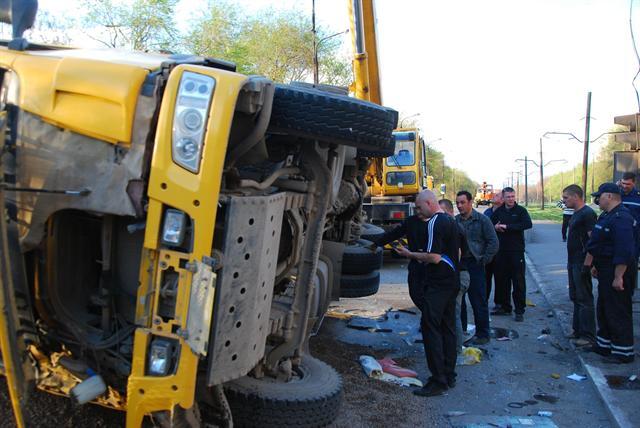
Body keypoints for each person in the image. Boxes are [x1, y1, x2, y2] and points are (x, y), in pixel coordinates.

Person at [395, 190, 459, 396]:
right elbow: (459, 252)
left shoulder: (434, 223)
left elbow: (433, 257)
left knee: (431, 328)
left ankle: (437, 380)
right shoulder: (452, 222)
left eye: (420, 207)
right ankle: (449, 374)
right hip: (452, 281)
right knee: (448, 328)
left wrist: (409, 254)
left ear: (430, 203)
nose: (418, 212)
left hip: (438, 283)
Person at [585, 183, 636, 363]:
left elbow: (624, 251)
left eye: (600, 196)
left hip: (617, 270)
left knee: (618, 310)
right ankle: (604, 345)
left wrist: (618, 276)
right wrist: (595, 265)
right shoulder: (607, 215)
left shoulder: (621, 218)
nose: (597, 199)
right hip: (605, 268)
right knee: (605, 308)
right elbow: (600, 243)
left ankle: (623, 352)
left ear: (610, 196)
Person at [455, 190, 499, 345]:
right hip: (460, 265)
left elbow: (493, 242)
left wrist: (483, 260)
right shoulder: (455, 221)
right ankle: (462, 331)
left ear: (470, 202)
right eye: (457, 203)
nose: (459, 206)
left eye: (462, 202)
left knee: (478, 301)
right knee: (459, 301)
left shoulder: (482, 220)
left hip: (476, 264)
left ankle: (483, 334)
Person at [369, 205, 429, 309]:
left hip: (430, 265)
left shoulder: (436, 222)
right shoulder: (411, 221)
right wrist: (376, 244)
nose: (418, 211)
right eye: (417, 208)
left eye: (421, 208)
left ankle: (429, 320)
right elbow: (394, 234)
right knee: (415, 294)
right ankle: (427, 315)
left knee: (431, 298)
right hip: (415, 265)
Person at [491, 187, 532, 321]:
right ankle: (505, 307)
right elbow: (490, 224)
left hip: (516, 251)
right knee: (503, 281)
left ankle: (519, 310)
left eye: (513, 196)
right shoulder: (499, 211)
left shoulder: (520, 211)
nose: (511, 199)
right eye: (508, 197)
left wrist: (509, 227)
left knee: (518, 281)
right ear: (503, 198)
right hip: (501, 252)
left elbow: (527, 224)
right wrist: (496, 227)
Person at [562, 184, 597, 346]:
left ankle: (588, 335)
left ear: (576, 196)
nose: (564, 201)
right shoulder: (575, 213)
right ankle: (577, 330)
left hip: (581, 262)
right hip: (572, 260)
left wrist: (589, 263)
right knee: (575, 297)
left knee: (584, 298)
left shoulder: (588, 214)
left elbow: (593, 240)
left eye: (566, 198)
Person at [438, 198, 469, 354]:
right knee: (451, 313)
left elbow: (456, 256)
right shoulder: (450, 226)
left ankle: (456, 350)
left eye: (442, 213)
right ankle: (452, 347)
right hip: (456, 275)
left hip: (459, 275)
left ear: (450, 212)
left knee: (453, 313)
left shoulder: (454, 229)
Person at [619, 171, 640, 290]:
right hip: (617, 236)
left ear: (634, 183)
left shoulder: (638, 196)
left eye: (628, 184)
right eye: (623, 183)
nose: (625, 186)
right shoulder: (616, 194)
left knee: (631, 265)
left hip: (634, 238)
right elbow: (599, 201)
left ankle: (629, 293)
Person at [484, 192, 503, 305]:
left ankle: (499, 302)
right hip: (488, 250)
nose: (493, 196)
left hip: (501, 250)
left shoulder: (504, 212)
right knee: (486, 277)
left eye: (497, 196)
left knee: (500, 278)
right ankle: (484, 300)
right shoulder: (488, 212)